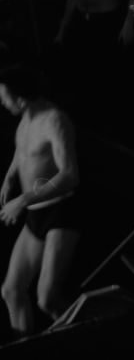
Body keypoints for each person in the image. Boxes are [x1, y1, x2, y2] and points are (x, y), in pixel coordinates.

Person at [0, 64, 80, 337]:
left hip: (61, 213)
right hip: (36, 214)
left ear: (21, 98)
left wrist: (22, 200)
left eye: (4, 97)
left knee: (47, 300)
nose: (1, 102)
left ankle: (85, 338)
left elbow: (70, 175)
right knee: (11, 290)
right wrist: (10, 177)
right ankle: (25, 347)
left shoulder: (54, 120)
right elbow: (23, 150)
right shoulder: (26, 118)